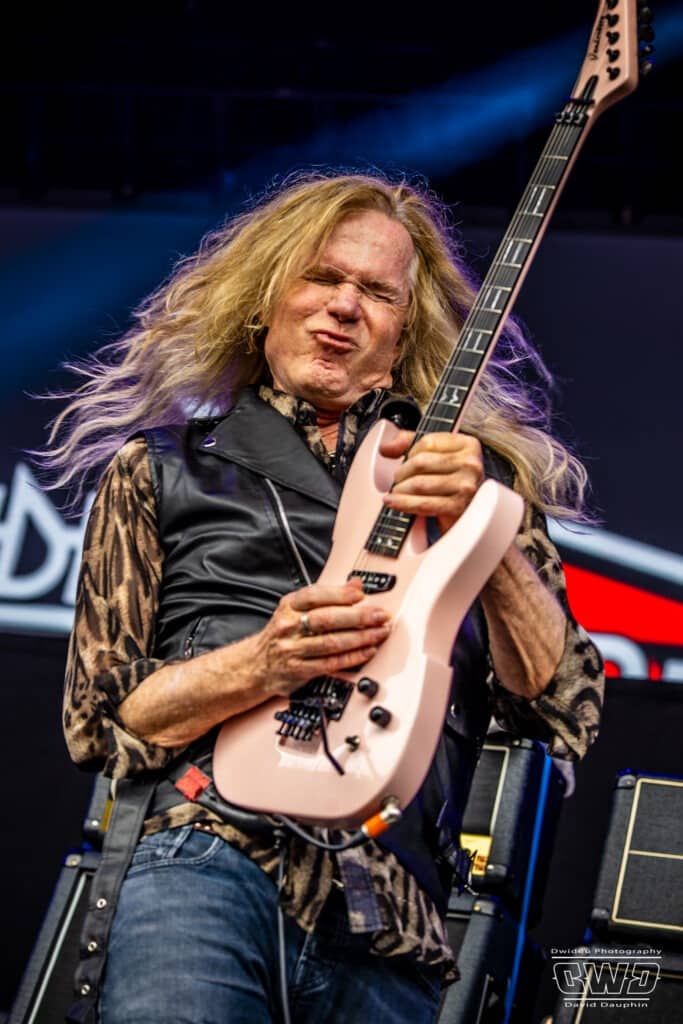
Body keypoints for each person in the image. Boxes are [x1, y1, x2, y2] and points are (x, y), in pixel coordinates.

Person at [43, 172, 604, 1024]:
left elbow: (563, 710)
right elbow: (98, 721)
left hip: (390, 914)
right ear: (264, 300)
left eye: (376, 291)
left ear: (405, 326)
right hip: (202, 855)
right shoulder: (157, 469)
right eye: (321, 276)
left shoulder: (469, 480)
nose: (344, 306)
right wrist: (259, 664)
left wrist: (484, 526)